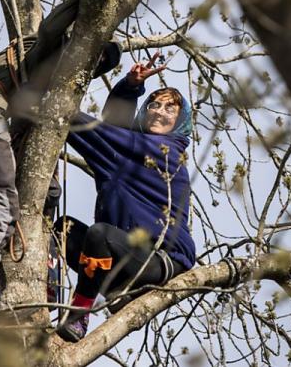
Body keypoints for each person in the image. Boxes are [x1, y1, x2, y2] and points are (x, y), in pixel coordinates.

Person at [0, 0, 122, 323]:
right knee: (3, 204)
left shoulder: (37, 81)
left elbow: (22, 130)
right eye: (92, 62)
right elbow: (51, 28)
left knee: (11, 195)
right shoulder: (47, 49)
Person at [54, 57, 195, 342]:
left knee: (99, 235)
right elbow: (114, 130)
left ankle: (79, 316)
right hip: (123, 252)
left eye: (170, 108)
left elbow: (109, 135)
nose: (159, 112)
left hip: (161, 259)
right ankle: (117, 290)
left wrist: (61, 110)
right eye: (154, 105)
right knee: (62, 230)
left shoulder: (167, 151)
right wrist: (130, 87)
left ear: (181, 120)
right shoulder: (125, 153)